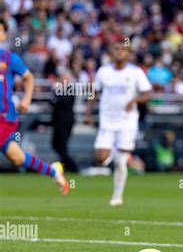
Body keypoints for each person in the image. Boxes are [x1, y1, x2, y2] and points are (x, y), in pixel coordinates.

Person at [0, 18, 69, 194]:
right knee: (17, 158)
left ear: (3, 34)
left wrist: (27, 100)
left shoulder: (9, 58)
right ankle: (54, 171)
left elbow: (29, 78)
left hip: (5, 117)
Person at [84, 41, 152, 206]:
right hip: (107, 121)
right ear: (111, 53)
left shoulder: (135, 72)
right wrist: (88, 113)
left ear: (128, 53)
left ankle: (117, 195)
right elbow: (94, 92)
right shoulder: (104, 71)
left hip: (127, 122)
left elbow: (148, 93)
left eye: (123, 50)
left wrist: (134, 100)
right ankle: (122, 152)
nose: (119, 52)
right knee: (101, 158)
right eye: (116, 49)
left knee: (120, 162)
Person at [51, 69, 78, 172]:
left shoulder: (70, 89)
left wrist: (56, 98)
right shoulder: (58, 89)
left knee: (62, 144)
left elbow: (61, 101)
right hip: (57, 121)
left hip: (66, 121)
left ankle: (69, 165)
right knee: (55, 144)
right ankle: (68, 163)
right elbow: (54, 101)